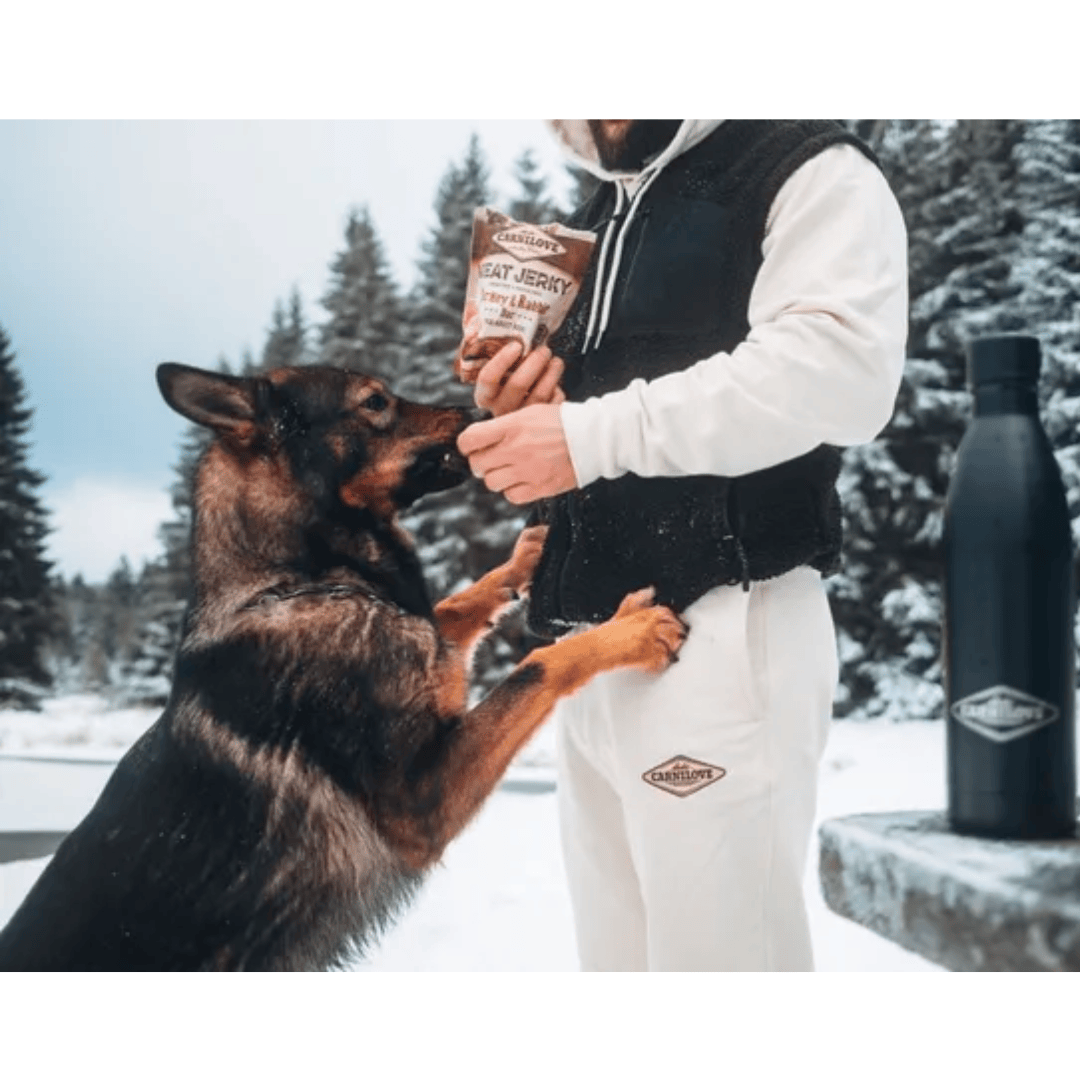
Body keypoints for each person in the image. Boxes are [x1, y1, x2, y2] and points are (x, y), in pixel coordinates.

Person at [456, 120, 908, 971]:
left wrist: (590, 434)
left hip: (724, 625)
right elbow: (594, 415)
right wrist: (532, 395)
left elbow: (840, 372)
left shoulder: (801, 164)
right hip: (591, 647)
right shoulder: (604, 207)